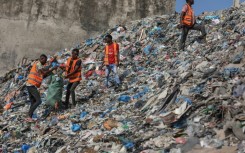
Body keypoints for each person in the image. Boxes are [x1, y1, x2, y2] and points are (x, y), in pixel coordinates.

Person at [25, 54, 57, 122]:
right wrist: (53, 68)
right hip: (31, 85)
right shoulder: (38, 64)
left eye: (45, 61)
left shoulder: (39, 64)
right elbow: (44, 73)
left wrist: (50, 65)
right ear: (41, 59)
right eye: (44, 60)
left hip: (29, 84)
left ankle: (29, 117)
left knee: (33, 102)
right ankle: (29, 116)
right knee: (38, 101)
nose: (45, 62)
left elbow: (44, 71)